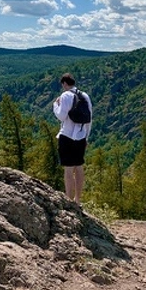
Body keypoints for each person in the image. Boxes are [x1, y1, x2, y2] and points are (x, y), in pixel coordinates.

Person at [53, 73, 92, 205]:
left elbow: (61, 116)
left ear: (64, 83)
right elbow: (89, 119)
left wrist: (55, 105)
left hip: (67, 136)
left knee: (68, 169)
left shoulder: (65, 96)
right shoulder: (84, 96)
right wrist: (86, 137)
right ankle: (78, 199)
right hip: (81, 137)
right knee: (79, 167)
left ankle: (69, 200)